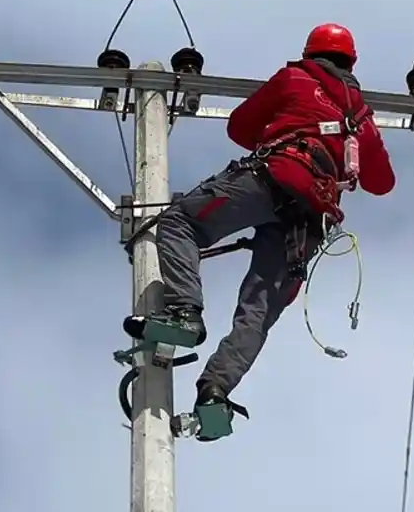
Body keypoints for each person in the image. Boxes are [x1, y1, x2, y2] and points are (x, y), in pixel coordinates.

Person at [123, 23, 396, 437]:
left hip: (272, 180)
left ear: (310, 53)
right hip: (309, 220)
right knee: (258, 312)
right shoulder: (361, 117)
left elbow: (240, 127)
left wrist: (282, 130)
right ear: (351, 62)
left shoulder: (295, 79)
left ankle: (184, 313)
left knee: (179, 221)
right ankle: (215, 390)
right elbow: (381, 183)